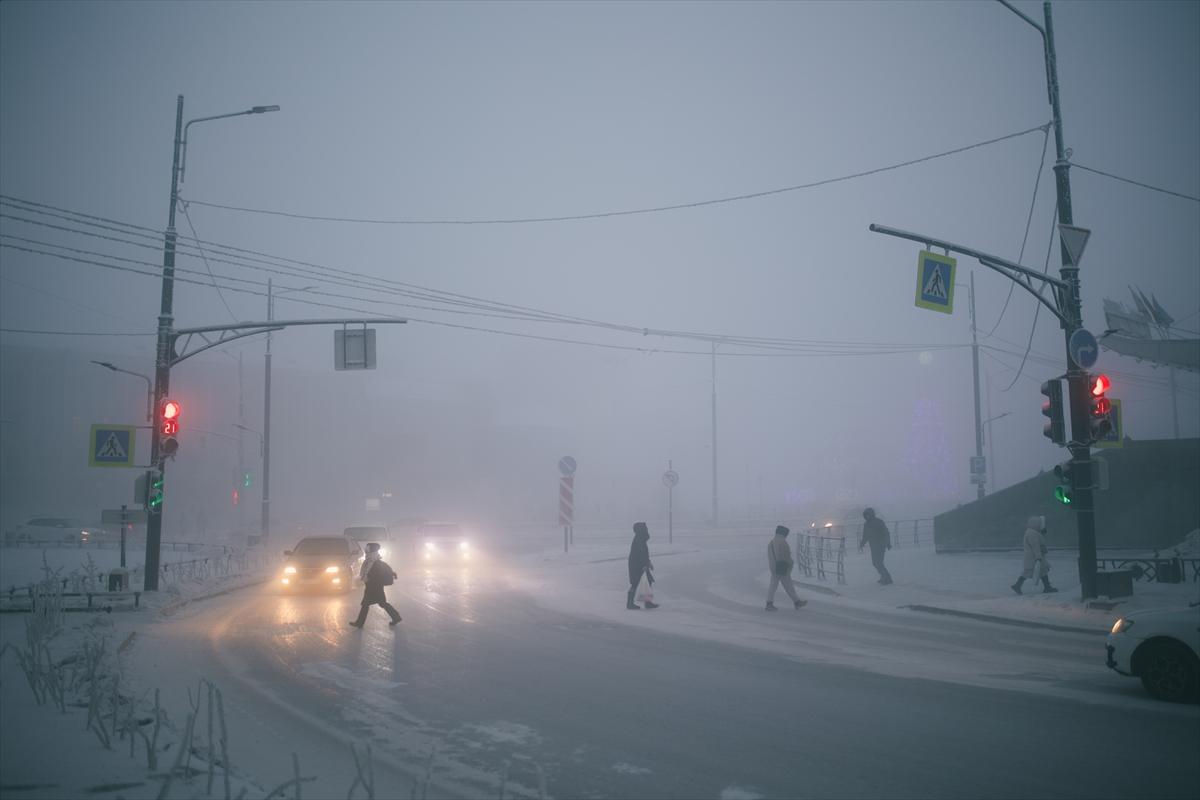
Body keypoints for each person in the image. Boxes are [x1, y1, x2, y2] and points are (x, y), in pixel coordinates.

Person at [349, 542, 402, 627]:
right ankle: (396, 617)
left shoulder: (376, 562)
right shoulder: (370, 561)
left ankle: (359, 623)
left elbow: (376, 575)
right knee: (379, 603)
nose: (366, 550)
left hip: (375, 587)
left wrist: (369, 578)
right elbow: (366, 572)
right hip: (371, 587)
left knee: (368, 604)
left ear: (371, 550)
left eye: (368, 548)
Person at [1012, 515, 1057, 594]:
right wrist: (1038, 557)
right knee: (1030, 572)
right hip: (1034, 557)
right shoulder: (1032, 533)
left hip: (1033, 556)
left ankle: (1046, 587)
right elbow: (1035, 546)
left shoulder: (1032, 532)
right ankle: (1017, 585)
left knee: (1041, 571)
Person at [766, 525, 807, 611]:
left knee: (774, 586)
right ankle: (796, 602)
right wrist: (790, 563)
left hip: (774, 568)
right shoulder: (782, 542)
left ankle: (769, 603)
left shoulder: (772, 542)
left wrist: (773, 566)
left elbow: (770, 556)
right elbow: (785, 556)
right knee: (788, 585)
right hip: (782, 568)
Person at [627, 522, 659, 610]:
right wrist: (645, 565)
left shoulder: (640, 538)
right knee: (635, 583)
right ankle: (630, 603)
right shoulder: (639, 539)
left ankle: (646, 602)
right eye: (645, 529)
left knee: (647, 581)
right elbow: (641, 554)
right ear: (642, 530)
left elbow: (643, 554)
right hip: (637, 565)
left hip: (638, 564)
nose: (647, 530)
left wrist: (648, 562)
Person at [859, 508, 893, 585]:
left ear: (872, 514)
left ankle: (887, 578)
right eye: (866, 515)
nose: (867, 517)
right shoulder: (866, 524)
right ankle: (884, 576)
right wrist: (862, 543)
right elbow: (865, 536)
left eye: (868, 515)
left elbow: (886, 533)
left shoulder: (879, 522)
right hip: (873, 546)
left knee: (878, 562)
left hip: (881, 545)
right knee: (875, 563)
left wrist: (888, 543)